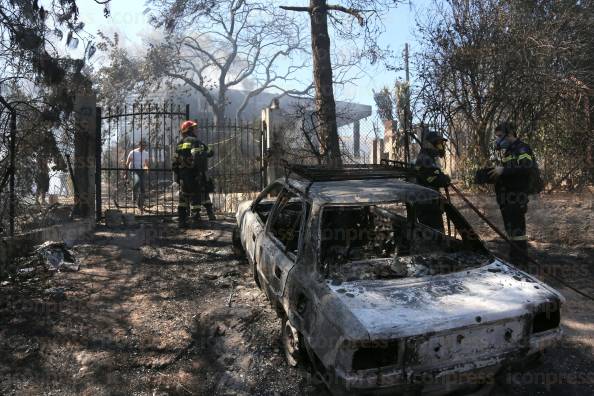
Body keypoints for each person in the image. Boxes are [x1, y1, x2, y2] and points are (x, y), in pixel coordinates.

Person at [488, 122, 535, 263]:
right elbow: (511, 174)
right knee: (511, 231)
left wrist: (503, 170)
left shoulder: (522, 149)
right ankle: (515, 259)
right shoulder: (510, 151)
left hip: (517, 197)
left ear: (509, 134)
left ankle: (521, 261)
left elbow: (527, 169)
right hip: (507, 198)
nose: (497, 140)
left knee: (517, 232)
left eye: (500, 136)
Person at [172, 120, 216, 228]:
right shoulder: (196, 141)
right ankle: (196, 218)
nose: (196, 130)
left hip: (183, 175)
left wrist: (178, 176)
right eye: (194, 128)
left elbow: (174, 163)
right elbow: (204, 155)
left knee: (183, 197)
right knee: (196, 195)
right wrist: (199, 171)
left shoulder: (179, 144)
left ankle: (182, 220)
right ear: (190, 130)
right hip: (194, 174)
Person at [414, 132, 451, 232]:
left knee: (436, 233)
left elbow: (434, 177)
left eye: (440, 144)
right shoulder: (425, 158)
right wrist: (445, 179)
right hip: (426, 205)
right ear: (429, 144)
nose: (440, 146)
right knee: (435, 234)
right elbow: (434, 180)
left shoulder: (429, 158)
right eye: (437, 143)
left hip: (430, 204)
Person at [124, 140, 149, 212]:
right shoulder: (133, 152)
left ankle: (140, 205)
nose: (144, 147)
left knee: (143, 188)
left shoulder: (146, 153)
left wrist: (146, 170)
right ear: (139, 145)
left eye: (145, 145)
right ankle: (134, 193)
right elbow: (127, 163)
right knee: (137, 182)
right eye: (142, 145)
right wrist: (125, 173)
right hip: (134, 170)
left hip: (142, 171)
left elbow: (146, 163)